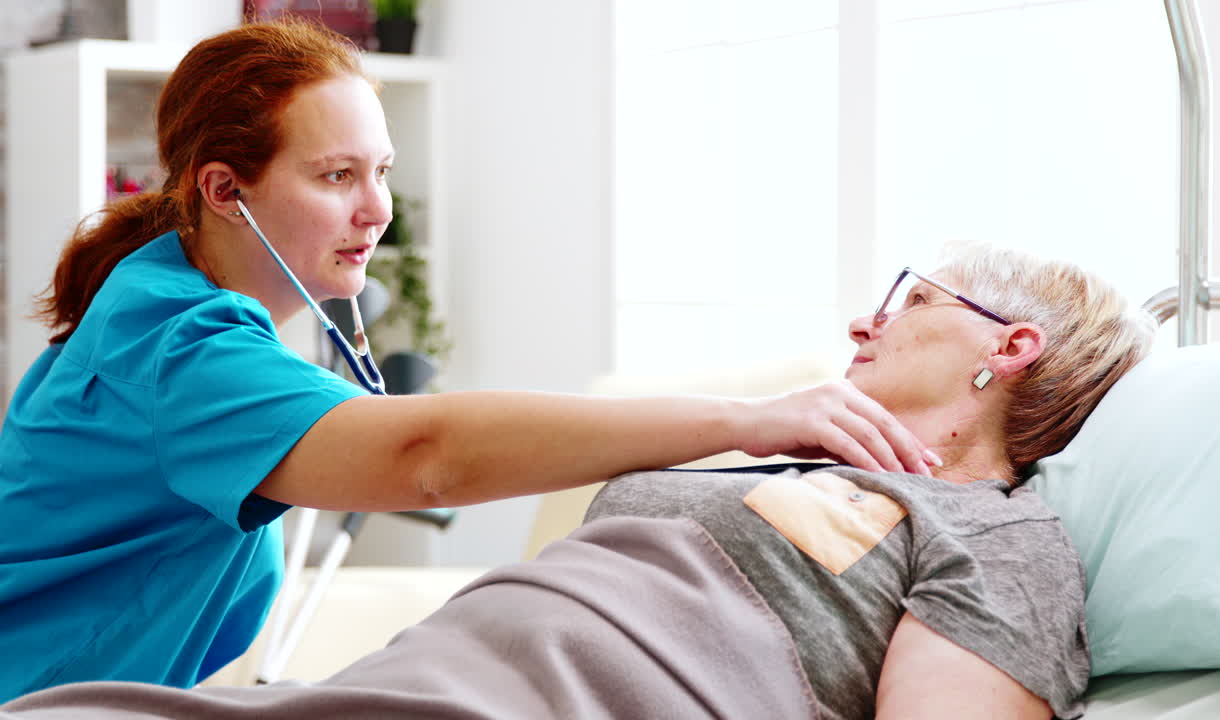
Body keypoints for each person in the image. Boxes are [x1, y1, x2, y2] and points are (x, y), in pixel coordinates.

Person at [0, 19, 942, 704]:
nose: (379, 212)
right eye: (337, 176)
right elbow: (426, 457)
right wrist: (752, 420)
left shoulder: (178, 300)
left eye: (383, 170)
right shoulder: (180, 348)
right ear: (225, 188)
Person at [0, 245, 1158, 719]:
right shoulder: (760, 447)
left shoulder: (999, 539)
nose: (866, 317)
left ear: (1007, 349)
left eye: (911, 295)